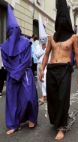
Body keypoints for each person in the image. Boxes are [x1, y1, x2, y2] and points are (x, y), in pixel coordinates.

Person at [39, 0, 78, 140]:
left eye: (64, 19)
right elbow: (46, 55)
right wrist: (41, 70)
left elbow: (77, 56)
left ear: (67, 20)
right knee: (52, 98)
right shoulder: (52, 37)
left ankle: (61, 126)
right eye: (60, 19)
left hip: (65, 69)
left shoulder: (73, 37)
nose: (62, 21)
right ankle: (56, 120)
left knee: (63, 98)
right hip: (52, 70)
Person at [1, 5, 38, 135]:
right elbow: (6, 62)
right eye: (12, 29)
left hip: (25, 74)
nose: (15, 31)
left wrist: (17, 73)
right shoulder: (4, 47)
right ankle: (13, 124)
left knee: (28, 97)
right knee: (12, 101)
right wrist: (13, 73)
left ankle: (31, 118)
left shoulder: (26, 42)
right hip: (11, 75)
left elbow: (27, 60)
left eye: (16, 29)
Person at [35, 15, 48, 104]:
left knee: (44, 80)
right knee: (40, 81)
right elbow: (36, 54)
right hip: (39, 64)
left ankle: (44, 96)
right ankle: (44, 95)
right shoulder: (37, 45)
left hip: (46, 65)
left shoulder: (48, 45)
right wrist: (43, 50)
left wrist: (46, 49)